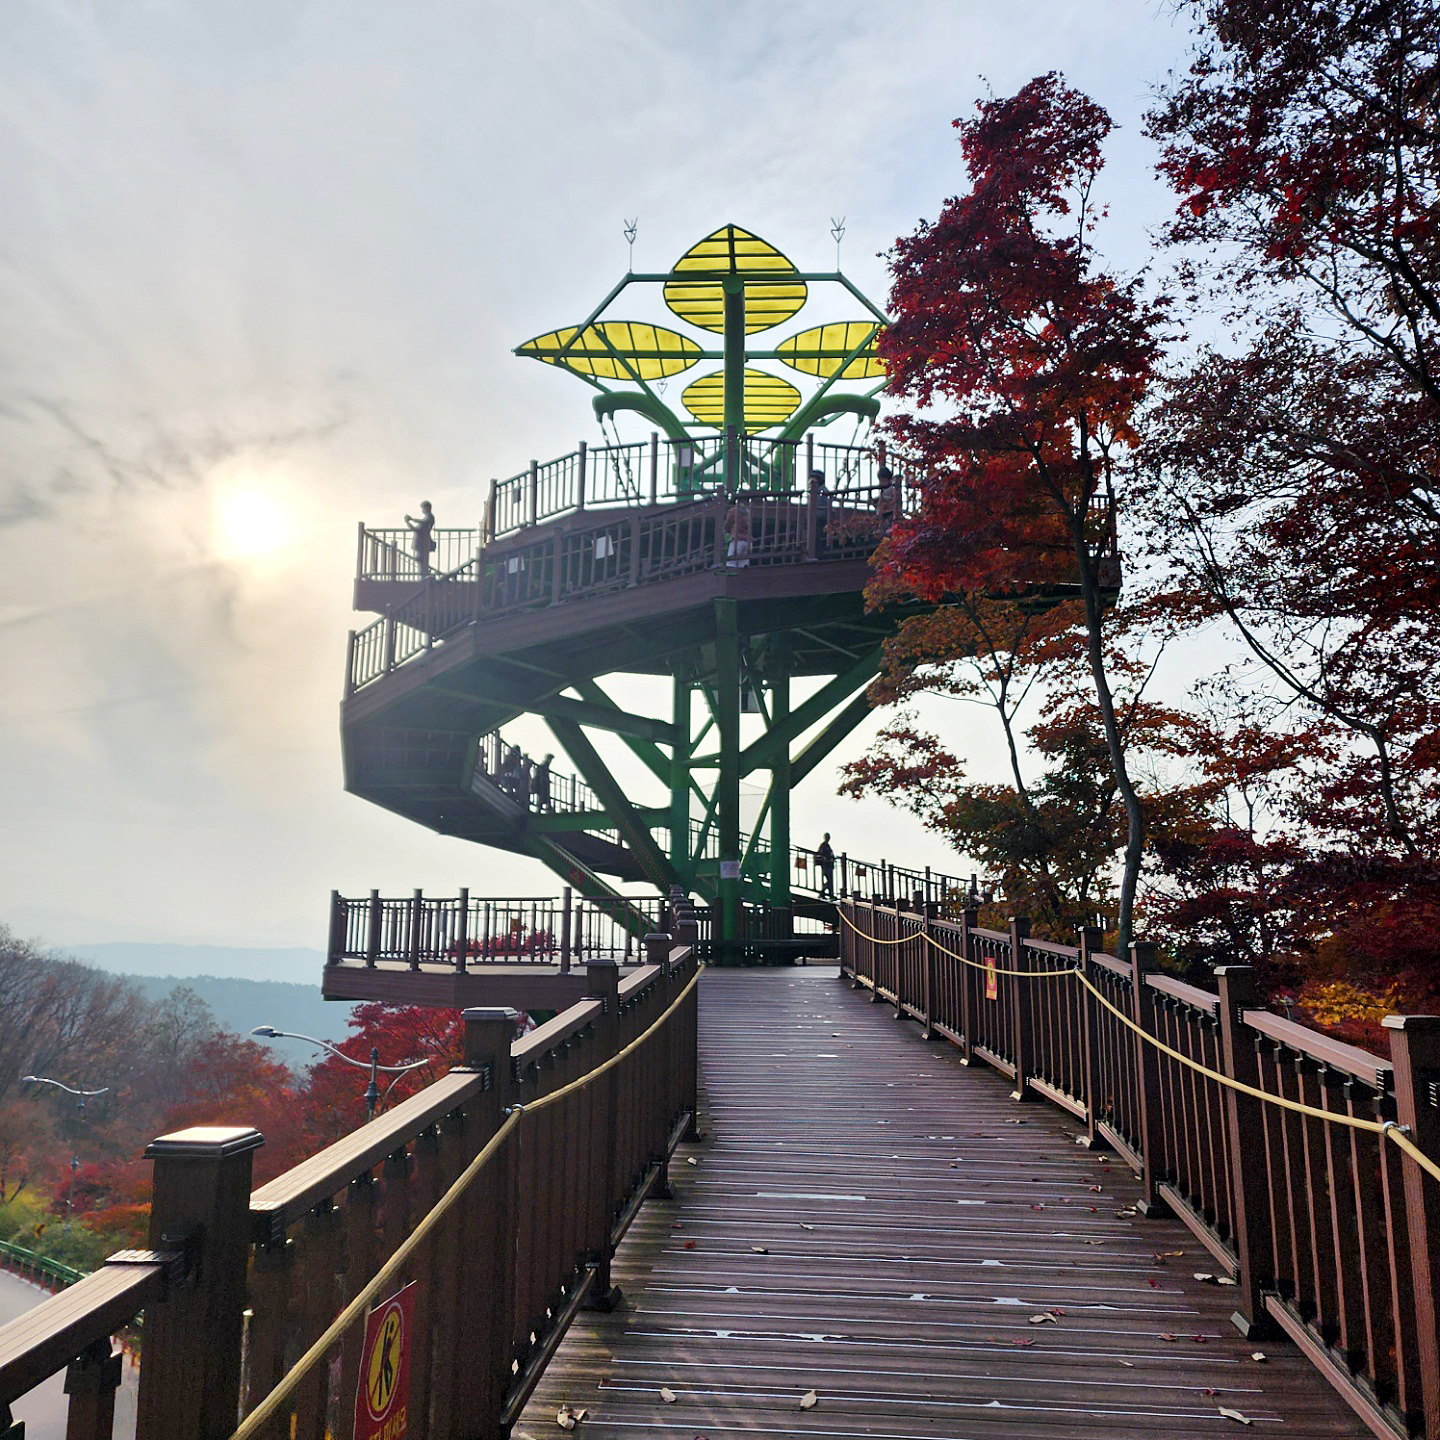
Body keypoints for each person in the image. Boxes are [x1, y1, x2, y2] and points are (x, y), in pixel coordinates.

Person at [405, 501, 436, 574]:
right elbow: (416, 529)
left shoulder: (429, 517)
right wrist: (408, 522)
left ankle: (424, 574)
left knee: (421, 560)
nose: (422, 510)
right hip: (420, 542)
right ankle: (423, 573)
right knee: (420, 560)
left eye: (423, 508)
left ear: (427, 508)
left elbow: (422, 523)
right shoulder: (427, 518)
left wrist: (411, 520)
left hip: (423, 542)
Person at [808, 469, 831, 557]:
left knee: (818, 538)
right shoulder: (816, 491)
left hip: (820, 519)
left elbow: (825, 506)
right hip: (816, 518)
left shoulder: (822, 491)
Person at [724, 498, 752, 568]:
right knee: (744, 565)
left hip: (737, 540)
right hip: (748, 541)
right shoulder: (747, 512)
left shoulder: (733, 511)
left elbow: (727, 525)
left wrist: (727, 531)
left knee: (731, 563)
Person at [875, 465, 898, 532]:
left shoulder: (891, 487)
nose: (881, 482)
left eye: (883, 480)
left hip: (888, 508)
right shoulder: (883, 488)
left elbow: (893, 498)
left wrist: (886, 501)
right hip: (883, 507)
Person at [815, 832, 836, 899]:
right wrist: (825, 858)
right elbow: (820, 854)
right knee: (829, 880)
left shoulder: (827, 846)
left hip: (829, 865)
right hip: (825, 865)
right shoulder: (823, 845)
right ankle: (823, 893)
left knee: (830, 880)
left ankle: (828, 893)